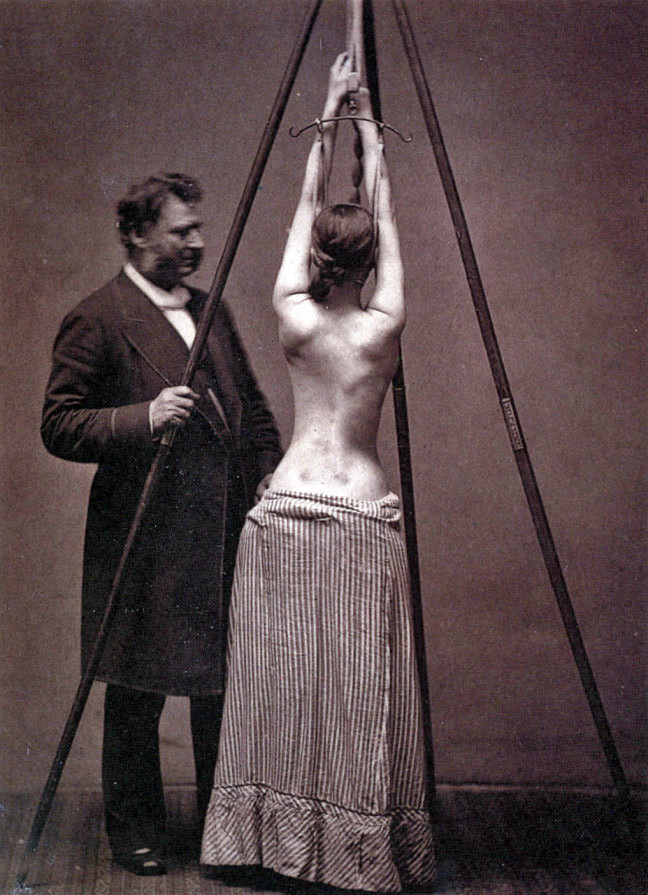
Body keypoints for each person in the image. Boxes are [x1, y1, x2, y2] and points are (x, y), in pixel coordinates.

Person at [201, 54, 436, 892]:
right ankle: (350, 854)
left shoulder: (292, 315)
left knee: (280, 681)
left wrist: (329, 114)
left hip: (288, 508)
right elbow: (388, 216)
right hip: (361, 513)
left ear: (318, 259)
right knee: (359, 691)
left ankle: (266, 843)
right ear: (369, 263)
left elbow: (305, 209)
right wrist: (371, 134)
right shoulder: (384, 324)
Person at [41, 172, 283, 876]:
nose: (197, 242)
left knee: (221, 692)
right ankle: (135, 832)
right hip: (144, 538)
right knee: (136, 690)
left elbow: (253, 411)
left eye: (198, 229)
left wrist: (267, 470)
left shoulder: (213, 309)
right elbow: (58, 424)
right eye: (181, 231)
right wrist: (140, 418)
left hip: (222, 534)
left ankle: (224, 832)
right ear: (136, 233)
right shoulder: (99, 317)